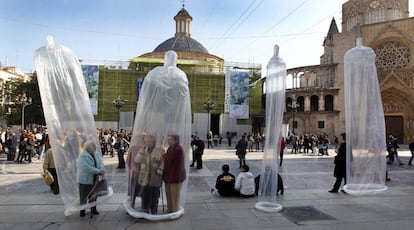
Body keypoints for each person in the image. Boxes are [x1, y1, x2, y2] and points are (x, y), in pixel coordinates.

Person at [134, 134, 165, 214]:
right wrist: (142, 150)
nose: (148, 143)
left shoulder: (160, 149)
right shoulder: (143, 149)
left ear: (153, 141)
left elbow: (163, 161)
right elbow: (137, 160)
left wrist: (160, 170)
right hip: (145, 176)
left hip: (155, 176)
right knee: (145, 193)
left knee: (154, 193)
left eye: (149, 141)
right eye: (146, 141)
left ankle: (154, 209)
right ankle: (145, 208)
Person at [76, 140, 105, 217]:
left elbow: (100, 162)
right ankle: (82, 210)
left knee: (94, 195)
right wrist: (98, 171)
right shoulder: (82, 156)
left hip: (94, 179)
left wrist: (101, 169)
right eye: (94, 147)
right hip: (84, 179)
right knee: (83, 196)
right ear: (89, 147)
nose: (95, 148)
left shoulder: (96, 154)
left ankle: (93, 209)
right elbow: (85, 167)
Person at [163, 134, 186, 213]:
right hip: (168, 176)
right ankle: (170, 209)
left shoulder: (178, 149)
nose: (168, 141)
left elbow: (176, 165)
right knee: (168, 194)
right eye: (168, 139)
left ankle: (174, 211)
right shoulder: (170, 148)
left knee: (174, 196)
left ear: (175, 140)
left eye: (170, 140)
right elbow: (167, 157)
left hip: (175, 177)